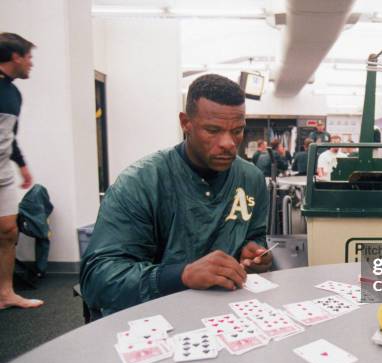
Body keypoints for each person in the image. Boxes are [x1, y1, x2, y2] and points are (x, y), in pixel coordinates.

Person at [80, 74, 272, 316]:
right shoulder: (140, 183)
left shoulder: (251, 178)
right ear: (185, 123)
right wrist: (182, 275)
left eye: (237, 131)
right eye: (213, 130)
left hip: (225, 312)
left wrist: (255, 252)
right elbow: (98, 279)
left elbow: (255, 236)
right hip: (152, 317)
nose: (228, 143)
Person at [0, 33, 42, 309]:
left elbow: (9, 136)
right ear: (15, 57)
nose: (31, 63)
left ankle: (5, 294)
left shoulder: (13, 93)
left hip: (3, 170)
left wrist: (22, 164)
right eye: (29, 57)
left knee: (8, 230)